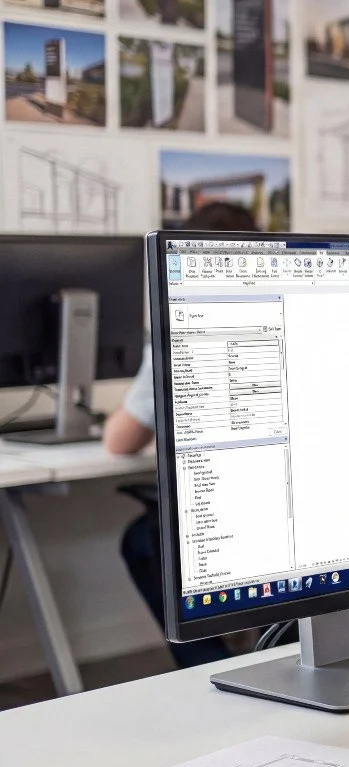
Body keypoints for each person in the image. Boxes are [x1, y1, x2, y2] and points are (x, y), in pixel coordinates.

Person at [106, 201, 259, 668]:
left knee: (144, 540)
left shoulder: (186, 321)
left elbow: (119, 442)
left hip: (227, 512)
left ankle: (208, 666)